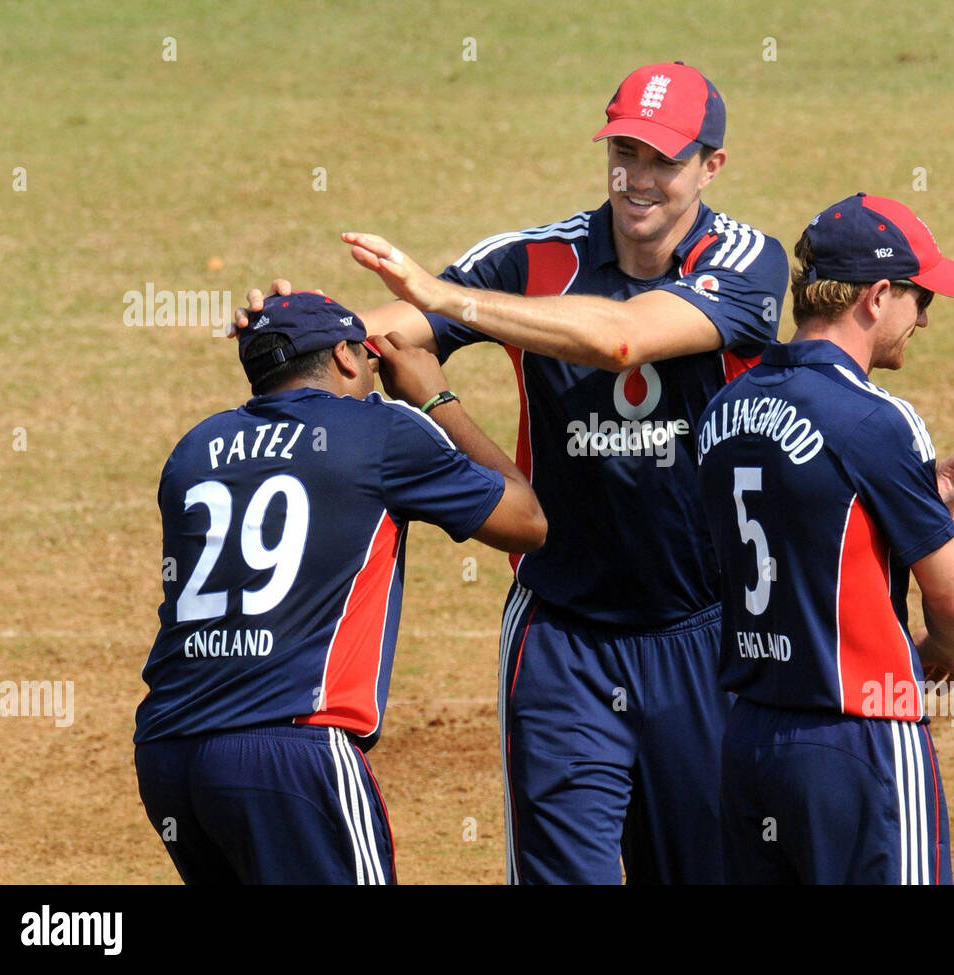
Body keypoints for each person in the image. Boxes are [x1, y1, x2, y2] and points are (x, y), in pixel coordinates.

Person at [239, 61, 788, 883]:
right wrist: (300, 332)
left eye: (664, 161)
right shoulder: (533, 257)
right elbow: (387, 330)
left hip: (704, 631)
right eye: (625, 152)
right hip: (562, 634)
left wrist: (445, 297)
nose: (638, 180)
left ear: (712, 166)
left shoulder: (747, 261)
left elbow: (622, 338)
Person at [134, 291, 545, 884]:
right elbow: (526, 522)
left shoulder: (195, 449)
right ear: (350, 359)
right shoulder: (379, 430)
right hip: (294, 753)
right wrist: (435, 398)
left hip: (171, 757)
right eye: (370, 360)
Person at [696, 193, 954, 883]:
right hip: (863, 736)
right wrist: (937, 655)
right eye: (919, 296)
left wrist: (914, 512)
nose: (924, 316)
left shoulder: (724, 408)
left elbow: (795, 535)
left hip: (749, 742)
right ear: (875, 296)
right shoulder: (877, 419)